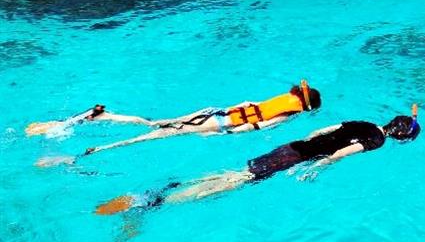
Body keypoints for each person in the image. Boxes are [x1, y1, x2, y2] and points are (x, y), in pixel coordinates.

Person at [95, 106, 421, 215]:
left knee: (240, 174)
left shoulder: (365, 124)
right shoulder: (375, 141)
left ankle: (165, 192)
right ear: (399, 137)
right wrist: (317, 166)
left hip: (292, 145)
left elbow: (325, 130)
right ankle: (154, 200)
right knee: (232, 183)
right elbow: (342, 152)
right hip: (295, 157)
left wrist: (307, 147)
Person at [30, 81, 321, 164]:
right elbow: (255, 126)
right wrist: (221, 136)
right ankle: (81, 155)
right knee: (150, 136)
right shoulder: (287, 114)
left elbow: (245, 105)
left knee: (154, 123)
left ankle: (102, 116)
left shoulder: (282, 99)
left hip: (211, 112)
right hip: (215, 125)